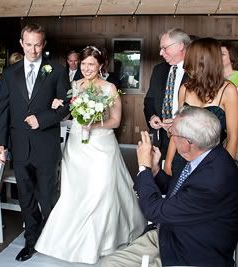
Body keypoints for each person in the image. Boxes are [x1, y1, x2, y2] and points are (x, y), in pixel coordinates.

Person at [35, 46, 146, 264]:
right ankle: (68, 239)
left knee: (100, 190)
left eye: (91, 64)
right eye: (83, 64)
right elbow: (67, 111)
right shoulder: (74, 86)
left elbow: (115, 121)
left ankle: (100, 242)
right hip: (77, 144)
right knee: (75, 191)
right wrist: (57, 105)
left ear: (100, 65)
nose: (86, 68)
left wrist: (93, 124)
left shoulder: (110, 88)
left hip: (102, 145)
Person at [102, 105, 238, 267]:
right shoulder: (203, 154)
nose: (171, 136)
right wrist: (154, 170)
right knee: (108, 263)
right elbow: (177, 191)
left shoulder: (212, 181)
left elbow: (153, 210)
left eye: (173, 133)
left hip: (190, 252)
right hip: (170, 233)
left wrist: (143, 167)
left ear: (188, 143)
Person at [0, 23, 69, 262]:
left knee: (47, 197)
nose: (33, 50)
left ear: (43, 44)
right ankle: (31, 242)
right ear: (21, 43)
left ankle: (54, 240)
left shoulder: (56, 71)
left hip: (45, 145)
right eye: (29, 44)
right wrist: (0, 143)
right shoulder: (9, 73)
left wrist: (43, 118)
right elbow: (2, 110)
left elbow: (66, 105)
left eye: (38, 45)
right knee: (25, 198)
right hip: (19, 145)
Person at [164, 38, 238, 177]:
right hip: (182, 160)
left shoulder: (229, 90)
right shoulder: (185, 89)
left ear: (203, 61)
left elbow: (233, 136)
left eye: (190, 58)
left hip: (212, 164)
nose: (186, 64)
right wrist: (168, 162)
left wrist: (225, 169)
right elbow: (176, 130)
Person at [143, 28, 190, 158]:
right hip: (160, 139)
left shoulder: (196, 71)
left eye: (164, 48)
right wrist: (152, 116)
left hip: (187, 139)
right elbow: (149, 100)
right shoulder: (158, 70)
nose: (160, 53)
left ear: (180, 46)